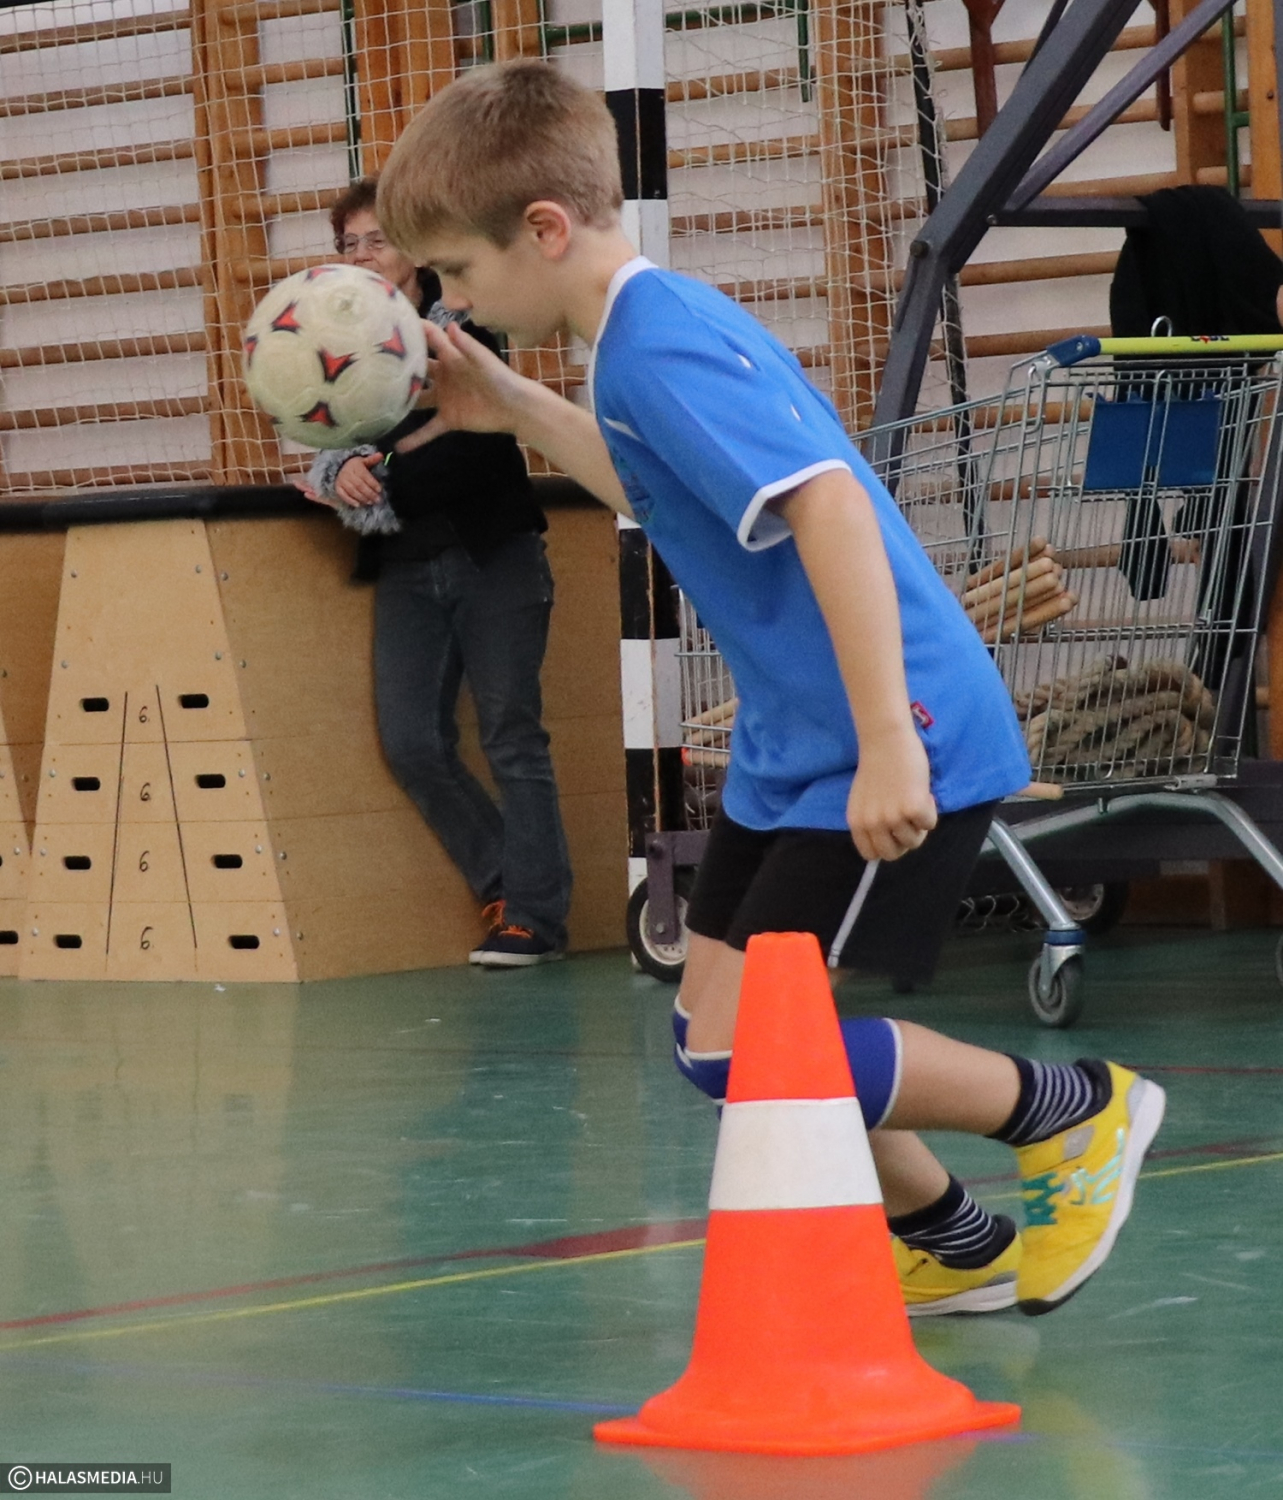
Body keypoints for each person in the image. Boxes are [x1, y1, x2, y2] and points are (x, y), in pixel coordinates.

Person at [374, 62, 1166, 1316]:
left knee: (749, 1053)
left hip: (881, 733)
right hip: (795, 750)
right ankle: (950, 1240)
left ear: (544, 228)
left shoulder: (657, 345)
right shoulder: (628, 346)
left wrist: (887, 742)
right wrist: (516, 408)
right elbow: (658, 495)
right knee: (715, 1041)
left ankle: (1067, 1110)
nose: (450, 301)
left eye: (456, 272)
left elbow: (831, 508)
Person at [297, 178, 572, 967]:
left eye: (375, 240)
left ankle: (535, 919)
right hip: (406, 569)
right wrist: (339, 472)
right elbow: (320, 457)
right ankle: (502, 882)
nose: (361, 256)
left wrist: (371, 473)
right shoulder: (333, 349)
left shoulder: (464, 328)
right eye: (347, 244)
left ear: (414, 252)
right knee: (412, 742)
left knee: (512, 736)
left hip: (494, 559)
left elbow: (473, 450)